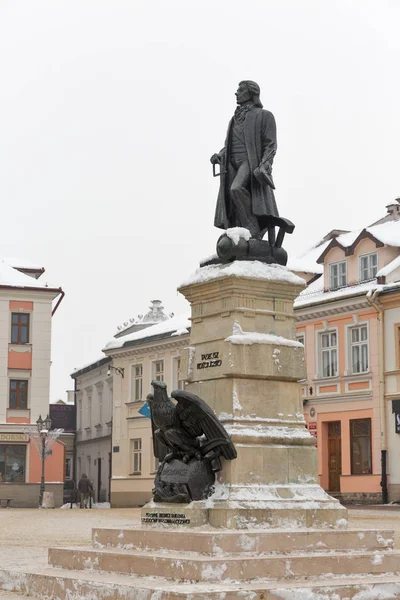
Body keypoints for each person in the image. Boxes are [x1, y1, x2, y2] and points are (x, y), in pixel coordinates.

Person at [211, 80, 279, 240]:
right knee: (232, 199)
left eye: (240, 90)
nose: (236, 93)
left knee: (236, 189)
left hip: (250, 160)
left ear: (251, 93)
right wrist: (220, 155)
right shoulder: (234, 120)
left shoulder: (264, 115)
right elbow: (229, 145)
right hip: (231, 164)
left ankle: (253, 228)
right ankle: (239, 230)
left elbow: (271, 144)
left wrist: (265, 163)